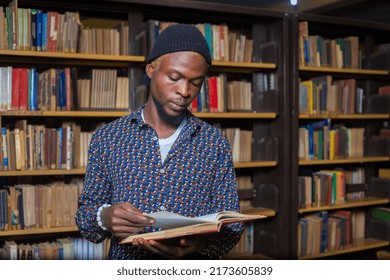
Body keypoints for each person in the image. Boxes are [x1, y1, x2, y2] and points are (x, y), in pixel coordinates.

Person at [75, 23, 244, 260]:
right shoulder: (108, 138)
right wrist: (104, 217)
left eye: (196, 83)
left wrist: (200, 243)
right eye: (174, 77)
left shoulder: (215, 143)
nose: (184, 91)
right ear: (151, 69)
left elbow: (232, 228)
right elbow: (85, 221)